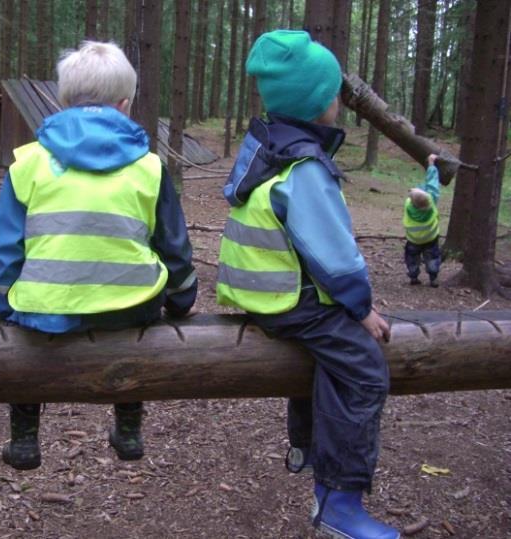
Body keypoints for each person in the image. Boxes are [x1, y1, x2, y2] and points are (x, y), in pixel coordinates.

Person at [216, 30, 398, 539]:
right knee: (364, 372)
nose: (339, 100)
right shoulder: (307, 169)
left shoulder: (266, 148)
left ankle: (309, 455)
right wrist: (361, 308)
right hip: (291, 302)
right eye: (335, 92)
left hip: (259, 295)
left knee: (328, 362)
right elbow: (332, 254)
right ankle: (340, 504)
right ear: (322, 104)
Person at [0, 40, 197, 471]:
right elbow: (174, 248)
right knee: (139, 326)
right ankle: (129, 426)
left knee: (24, 331)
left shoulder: (28, 162)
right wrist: (181, 300)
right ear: (125, 104)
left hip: (47, 310)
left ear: (63, 102)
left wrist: (2, 303)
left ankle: (24, 437)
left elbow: (7, 247)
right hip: (130, 306)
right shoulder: (150, 167)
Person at [403, 154, 441, 287]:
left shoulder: (408, 205)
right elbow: (432, 184)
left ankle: (413, 276)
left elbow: (415, 196)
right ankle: (433, 277)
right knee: (433, 257)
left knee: (412, 258)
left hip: (413, 240)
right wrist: (431, 164)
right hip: (431, 239)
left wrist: (413, 191)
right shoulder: (432, 202)